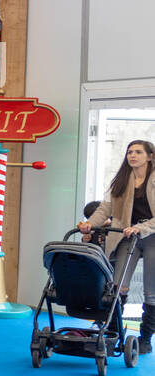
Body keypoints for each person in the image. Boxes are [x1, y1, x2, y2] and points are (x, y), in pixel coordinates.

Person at [79, 140, 155, 353]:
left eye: (138, 152)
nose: (133, 155)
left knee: (151, 291)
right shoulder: (122, 181)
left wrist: (143, 227)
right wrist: (89, 224)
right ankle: (113, 334)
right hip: (127, 236)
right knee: (117, 285)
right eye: (130, 151)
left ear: (149, 156)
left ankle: (145, 339)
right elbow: (105, 209)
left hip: (152, 236)